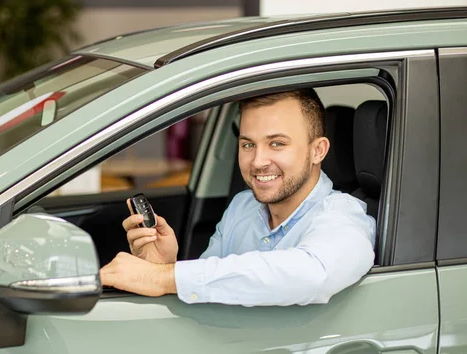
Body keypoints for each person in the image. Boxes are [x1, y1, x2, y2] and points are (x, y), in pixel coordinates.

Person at [100, 89, 376, 306]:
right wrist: (165, 266)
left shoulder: (343, 216)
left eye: (277, 143)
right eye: (248, 144)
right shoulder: (242, 206)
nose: (258, 161)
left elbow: (312, 276)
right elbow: (211, 290)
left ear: (318, 150)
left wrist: (162, 278)